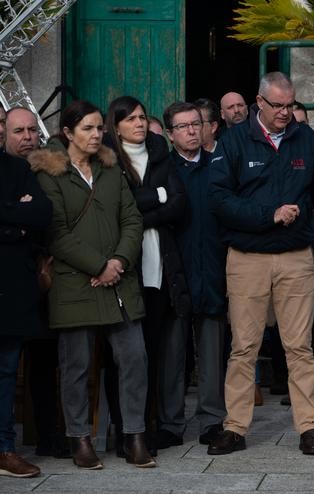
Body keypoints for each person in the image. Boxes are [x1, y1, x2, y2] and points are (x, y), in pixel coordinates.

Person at [208, 72, 314, 456]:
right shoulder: (233, 141)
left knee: (299, 347)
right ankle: (234, 428)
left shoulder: (306, 138)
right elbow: (219, 200)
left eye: (290, 105)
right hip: (248, 258)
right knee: (244, 347)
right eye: (277, 106)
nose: (285, 113)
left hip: (296, 257)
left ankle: (309, 428)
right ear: (259, 102)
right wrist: (269, 215)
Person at [28, 100, 155, 469]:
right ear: (68, 132)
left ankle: (134, 436)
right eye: (87, 128)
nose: (97, 134)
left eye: (100, 127)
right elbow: (57, 233)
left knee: (134, 357)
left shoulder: (111, 169)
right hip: (75, 283)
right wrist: (99, 264)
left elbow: (132, 218)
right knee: (76, 366)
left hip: (119, 283)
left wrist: (117, 262)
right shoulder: (49, 174)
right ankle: (80, 439)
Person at [105, 96, 191, 452]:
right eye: (132, 119)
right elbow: (116, 206)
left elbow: (179, 202)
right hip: (126, 270)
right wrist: (155, 197)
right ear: (117, 125)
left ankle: (145, 428)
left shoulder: (159, 154)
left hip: (159, 270)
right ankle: (124, 430)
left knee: (151, 354)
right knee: (125, 357)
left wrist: (145, 208)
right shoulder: (107, 159)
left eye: (142, 117)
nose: (140, 124)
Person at [168, 101, 228, 446]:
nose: (192, 131)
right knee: (173, 353)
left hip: (212, 269)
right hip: (175, 272)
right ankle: (171, 422)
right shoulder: (163, 169)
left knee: (211, 351)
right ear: (171, 133)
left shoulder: (219, 167)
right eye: (184, 126)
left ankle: (211, 420)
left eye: (196, 124)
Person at [0, 146, 51, 477]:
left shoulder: (17, 169)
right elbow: (23, 219)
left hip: (11, 289)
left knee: (5, 370)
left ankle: (4, 449)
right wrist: (13, 224)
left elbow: (41, 214)